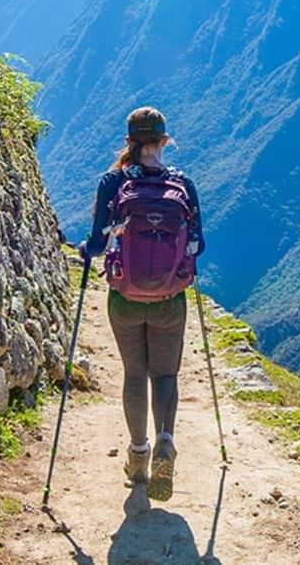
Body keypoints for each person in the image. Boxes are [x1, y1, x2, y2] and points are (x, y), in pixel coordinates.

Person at [79, 106, 205, 501]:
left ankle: (138, 455)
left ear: (129, 141)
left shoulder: (113, 182)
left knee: (135, 374)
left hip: (126, 299)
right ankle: (166, 439)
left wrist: (85, 249)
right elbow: (200, 244)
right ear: (165, 140)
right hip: (169, 299)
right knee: (165, 375)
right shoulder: (181, 184)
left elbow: (98, 245)